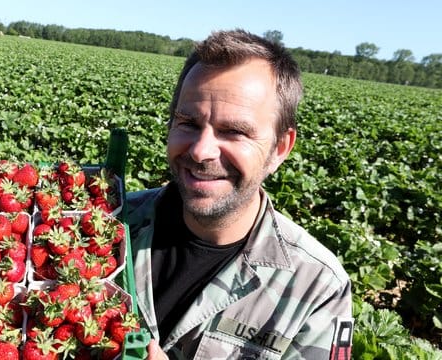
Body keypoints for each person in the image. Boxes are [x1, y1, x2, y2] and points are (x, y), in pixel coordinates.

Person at [126, 29, 353, 359]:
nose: (202, 150)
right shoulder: (109, 224)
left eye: (234, 131)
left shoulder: (317, 287)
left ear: (279, 148)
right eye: (188, 123)